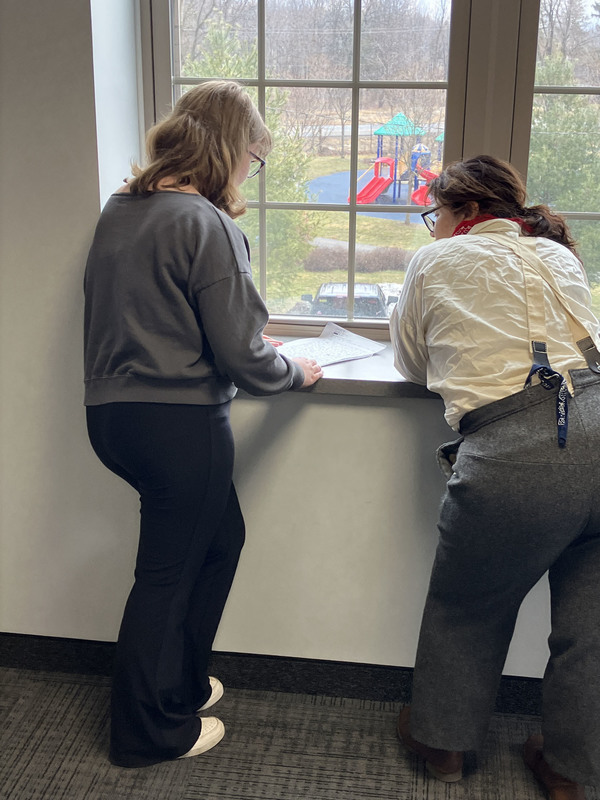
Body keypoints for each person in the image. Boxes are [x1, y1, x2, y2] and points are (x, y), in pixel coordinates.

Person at [83, 80, 322, 768]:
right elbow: (244, 357)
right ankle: (145, 733)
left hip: (114, 417)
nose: (251, 169)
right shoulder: (206, 224)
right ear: (231, 149)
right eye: (254, 156)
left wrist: (243, 342)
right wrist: (293, 371)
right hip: (180, 424)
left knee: (219, 543)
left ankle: (181, 686)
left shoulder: (121, 208)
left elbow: (159, 314)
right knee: (166, 575)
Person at [390, 155, 600, 800]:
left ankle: (444, 745)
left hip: (518, 446)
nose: (432, 226)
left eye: (435, 213)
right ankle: (571, 771)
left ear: (467, 213)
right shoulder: (558, 255)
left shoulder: (435, 260)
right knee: (592, 626)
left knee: (467, 607)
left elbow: (412, 363)